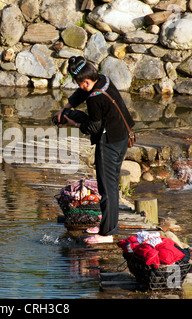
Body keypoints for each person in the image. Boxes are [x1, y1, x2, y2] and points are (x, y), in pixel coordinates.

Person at [54, 56, 135, 244]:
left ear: (86, 81)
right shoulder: (103, 79)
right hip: (123, 135)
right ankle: (108, 225)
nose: (80, 86)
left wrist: (72, 123)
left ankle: (106, 234)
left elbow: (93, 128)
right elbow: (81, 93)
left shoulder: (95, 98)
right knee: (111, 185)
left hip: (109, 141)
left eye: (80, 83)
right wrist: (66, 107)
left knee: (107, 188)